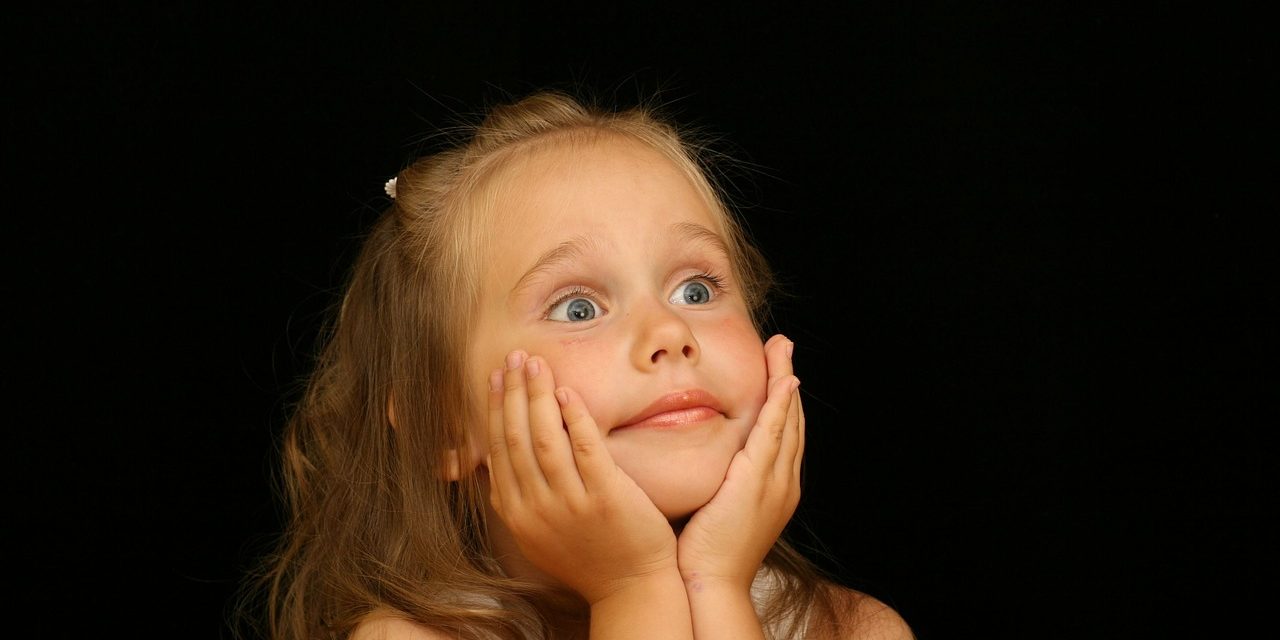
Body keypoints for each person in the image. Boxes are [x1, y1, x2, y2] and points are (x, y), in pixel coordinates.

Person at [238, 89, 913, 640]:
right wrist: (633, 589)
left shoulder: (853, 629)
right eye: (579, 308)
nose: (670, 331)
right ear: (441, 423)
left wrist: (718, 585)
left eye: (697, 290)